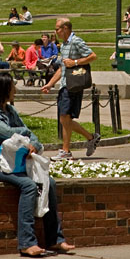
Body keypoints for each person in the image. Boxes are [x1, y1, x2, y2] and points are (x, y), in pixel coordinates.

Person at [0, 72, 75, 257]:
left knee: (49, 183)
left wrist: (34, 146)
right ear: (3, 90)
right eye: (12, 87)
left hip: (15, 164)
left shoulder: (10, 111)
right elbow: (7, 132)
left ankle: (55, 239)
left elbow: (31, 137)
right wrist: (24, 134)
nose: (15, 89)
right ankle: (26, 243)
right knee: (29, 186)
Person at [41, 18, 99, 161]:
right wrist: (50, 84)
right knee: (64, 119)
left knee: (64, 117)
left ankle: (66, 151)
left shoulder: (76, 41)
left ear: (66, 28)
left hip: (73, 85)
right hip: (65, 85)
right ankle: (90, 137)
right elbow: (62, 68)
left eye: (57, 29)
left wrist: (75, 62)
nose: (56, 32)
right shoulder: (64, 45)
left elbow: (93, 56)